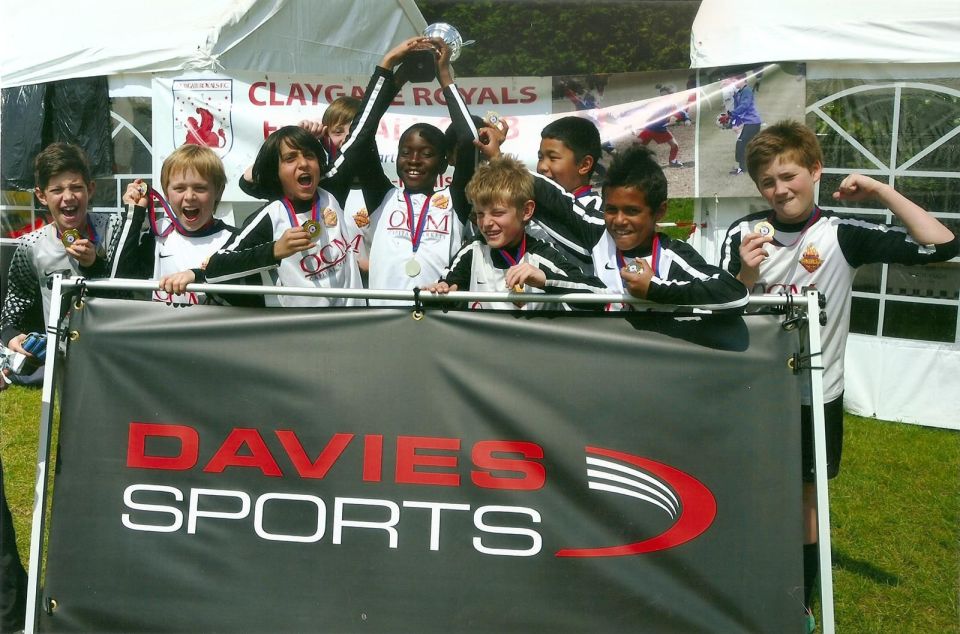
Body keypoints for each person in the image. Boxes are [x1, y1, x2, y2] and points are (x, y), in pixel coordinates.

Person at [718, 119, 958, 629]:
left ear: (815, 171)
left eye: (789, 176)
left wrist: (878, 188)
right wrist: (744, 276)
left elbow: (942, 245)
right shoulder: (743, 233)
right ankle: (741, 583)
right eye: (768, 182)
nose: (780, 189)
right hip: (751, 393)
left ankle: (798, 604)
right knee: (746, 489)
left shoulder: (841, 235)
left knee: (807, 500)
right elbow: (718, 307)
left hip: (815, 397)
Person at [480, 136, 748, 311]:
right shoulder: (596, 232)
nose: (619, 221)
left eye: (632, 211)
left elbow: (734, 294)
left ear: (659, 212)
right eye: (611, 209)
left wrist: (654, 288)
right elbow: (549, 196)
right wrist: (497, 157)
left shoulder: (673, 255)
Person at [346, 36, 480, 306]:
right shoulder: (382, 197)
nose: (414, 160)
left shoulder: (455, 201)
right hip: (385, 324)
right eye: (406, 152)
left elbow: (468, 139)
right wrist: (391, 71)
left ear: (443, 163)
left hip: (440, 323)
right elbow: (360, 134)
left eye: (427, 153)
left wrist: (445, 76)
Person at [200, 122, 369, 308]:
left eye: (309, 155)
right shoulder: (271, 215)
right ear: (276, 171)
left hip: (355, 323)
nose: (303, 163)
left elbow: (363, 132)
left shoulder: (332, 191)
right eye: (290, 158)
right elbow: (215, 268)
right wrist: (274, 251)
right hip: (304, 332)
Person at [1, 143, 121, 383]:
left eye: (76, 187)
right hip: (66, 367)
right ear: (41, 195)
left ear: (91, 189)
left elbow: (130, 290)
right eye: (57, 190)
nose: (68, 197)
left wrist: (95, 265)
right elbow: (16, 303)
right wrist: (11, 335)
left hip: (116, 357)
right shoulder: (30, 246)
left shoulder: (114, 228)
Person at [424, 155, 606, 310]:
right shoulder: (473, 249)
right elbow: (448, 284)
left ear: (526, 211)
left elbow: (599, 294)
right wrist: (442, 290)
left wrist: (545, 279)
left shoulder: (542, 254)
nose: (486, 223)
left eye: (498, 213)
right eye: (480, 214)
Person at [113, 144, 262, 306]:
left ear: (218, 191)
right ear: (166, 193)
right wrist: (134, 215)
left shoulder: (235, 240)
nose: (190, 196)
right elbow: (119, 282)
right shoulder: (159, 234)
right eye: (179, 188)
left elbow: (252, 306)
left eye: (200, 188)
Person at [637, 84, 689, 168]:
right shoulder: (656, 104)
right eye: (661, 95)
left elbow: (680, 112)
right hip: (649, 129)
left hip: (661, 130)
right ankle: (635, 164)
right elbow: (644, 111)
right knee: (637, 146)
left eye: (665, 95)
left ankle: (672, 161)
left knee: (674, 145)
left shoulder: (672, 106)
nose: (663, 97)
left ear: (670, 95)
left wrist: (686, 119)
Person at [726, 73, 762, 175]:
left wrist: (731, 114)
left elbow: (744, 106)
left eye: (734, 81)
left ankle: (743, 169)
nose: (733, 83)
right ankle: (746, 167)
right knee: (747, 145)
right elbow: (738, 109)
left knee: (742, 144)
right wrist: (731, 121)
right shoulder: (740, 92)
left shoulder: (746, 91)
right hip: (749, 123)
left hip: (752, 122)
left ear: (742, 80)